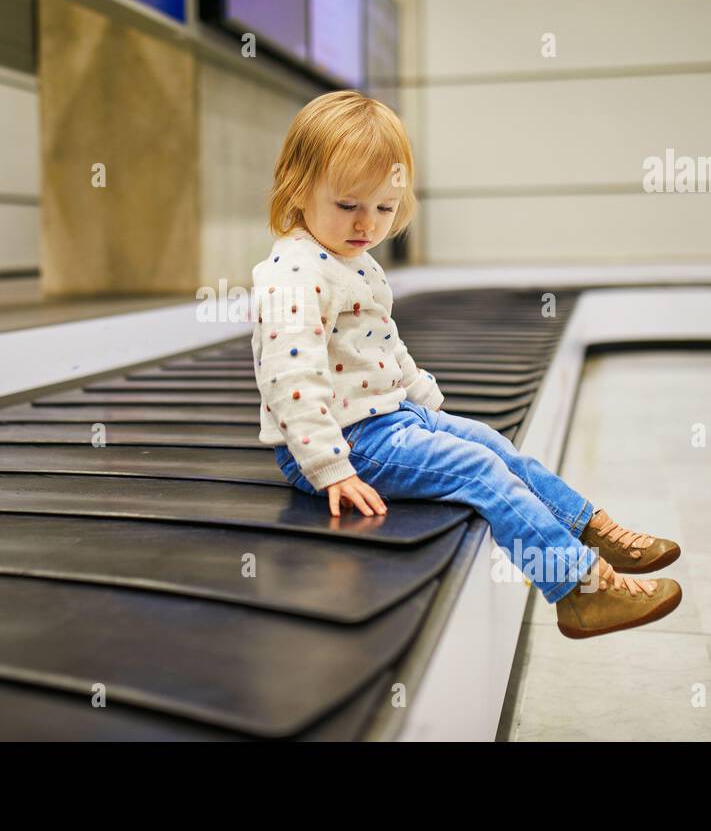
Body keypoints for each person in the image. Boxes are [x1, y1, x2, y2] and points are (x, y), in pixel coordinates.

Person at [250, 90, 682, 638]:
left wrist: (423, 399)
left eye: (384, 208)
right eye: (348, 205)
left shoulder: (350, 258)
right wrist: (329, 466)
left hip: (390, 419)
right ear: (300, 185)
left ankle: (589, 527)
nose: (367, 224)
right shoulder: (294, 272)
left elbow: (380, 341)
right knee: (478, 472)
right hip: (348, 441)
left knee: (495, 446)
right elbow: (290, 379)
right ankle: (579, 590)